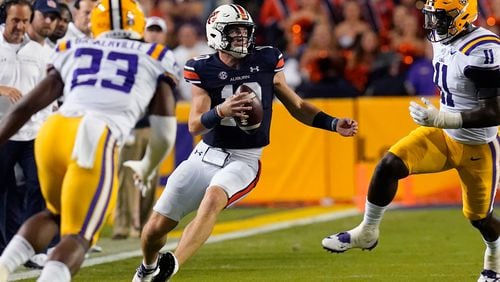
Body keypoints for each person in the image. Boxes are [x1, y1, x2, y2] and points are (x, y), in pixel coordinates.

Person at [132, 4, 358, 282]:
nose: (241, 37)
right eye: (234, 31)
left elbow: (297, 105)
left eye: (244, 31)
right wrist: (222, 111)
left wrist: (333, 123)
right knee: (155, 228)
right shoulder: (202, 67)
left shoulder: (266, 59)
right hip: (205, 154)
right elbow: (194, 124)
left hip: (244, 159)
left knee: (213, 198)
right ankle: (148, 266)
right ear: (216, 34)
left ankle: (172, 264)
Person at [0, 0, 179, 280]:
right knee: (80, 235)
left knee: (55, 214)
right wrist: (147, 165)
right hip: (95, 136)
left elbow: (26, 106)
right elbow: (165, 128)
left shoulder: (73, 48)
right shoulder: (155, 54)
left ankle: (2, 266)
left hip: (54, 131)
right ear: (139, 23)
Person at [321, 0, 500, 280]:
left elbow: (495, 111)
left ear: (463, 15)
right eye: (432, 16)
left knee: (480, 219)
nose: (433, 24)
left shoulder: (484, 50)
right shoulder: (444, 40)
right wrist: (441, 122)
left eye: (440, 17)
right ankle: (367, 232)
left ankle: (494, 260)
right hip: (442, 135)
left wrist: (444, 119)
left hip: (478, 146)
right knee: (389, 165)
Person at [112, 15, 175, 241]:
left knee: (149, 177)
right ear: (143, 32)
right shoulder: (133, 55)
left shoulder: (167, 59)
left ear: (165, 35)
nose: (154, 34)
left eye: (159, 31)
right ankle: (123, 225)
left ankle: (145, 225)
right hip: (132, 125)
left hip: (154, 126)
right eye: (151, 30)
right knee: (127, 175)